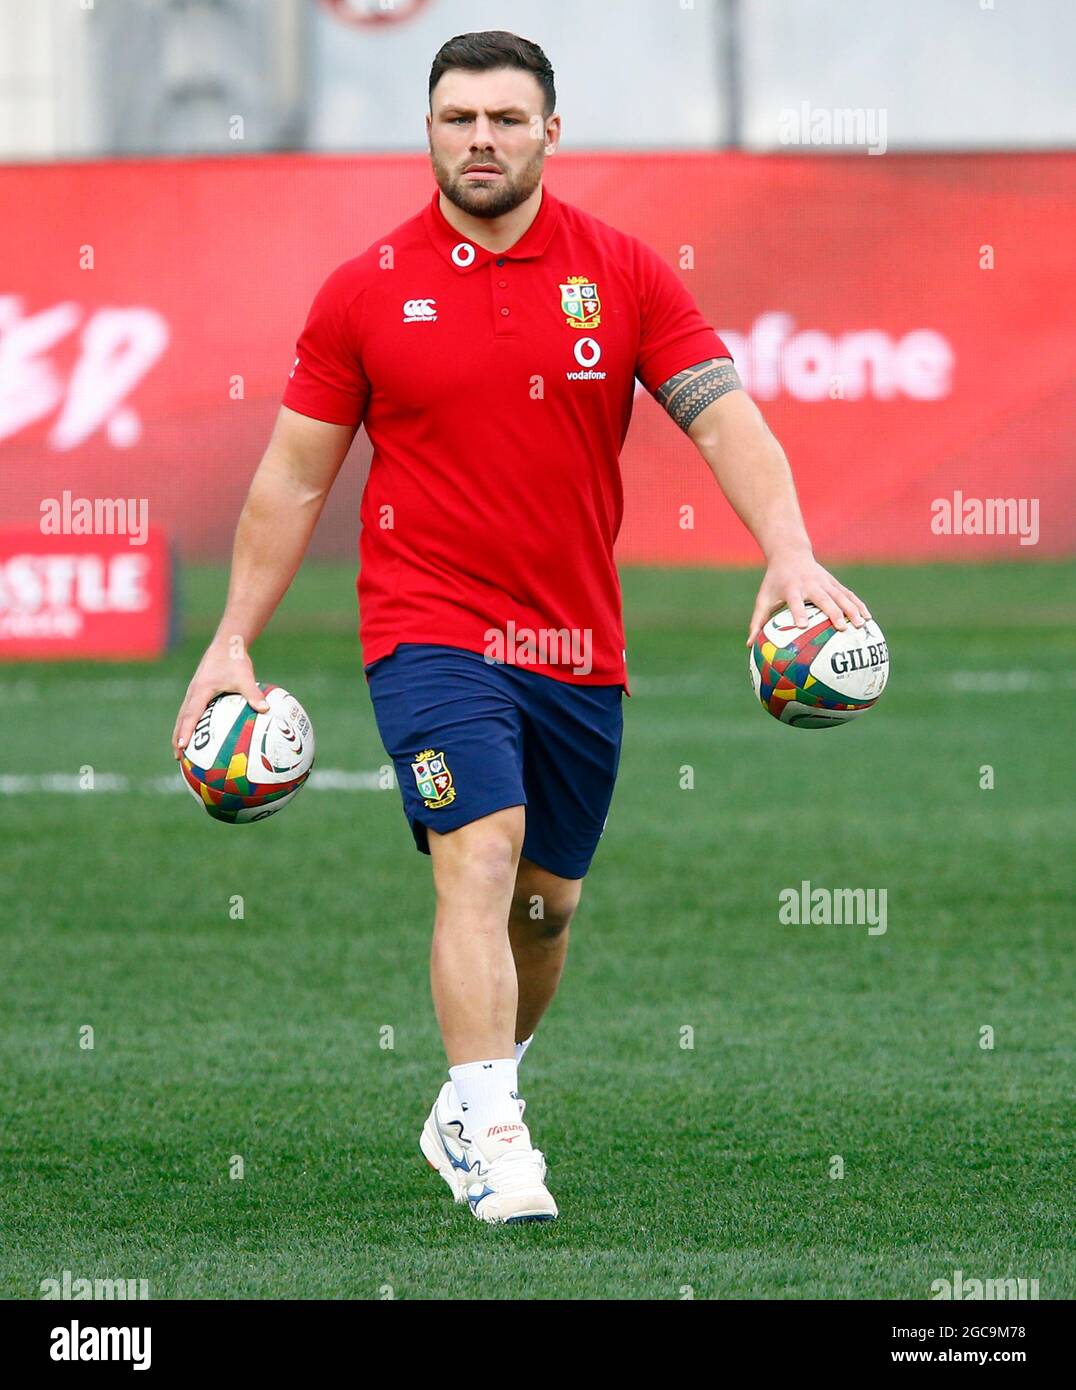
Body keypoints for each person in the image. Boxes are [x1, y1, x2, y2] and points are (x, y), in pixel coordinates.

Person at [171, 30, 870, 1225]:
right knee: (478, 848)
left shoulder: (624, 273)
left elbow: (722, 418)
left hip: (573, 644)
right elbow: (292, 480)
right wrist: (232, 632)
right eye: (457, 118)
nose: (479, 138)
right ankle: (497, 1132)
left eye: (504, 118)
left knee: (546, 906)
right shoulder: (364, 289)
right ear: (428, 130)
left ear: (550, 131)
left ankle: (468, 1092)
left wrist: (788, 549)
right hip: (426, 625)